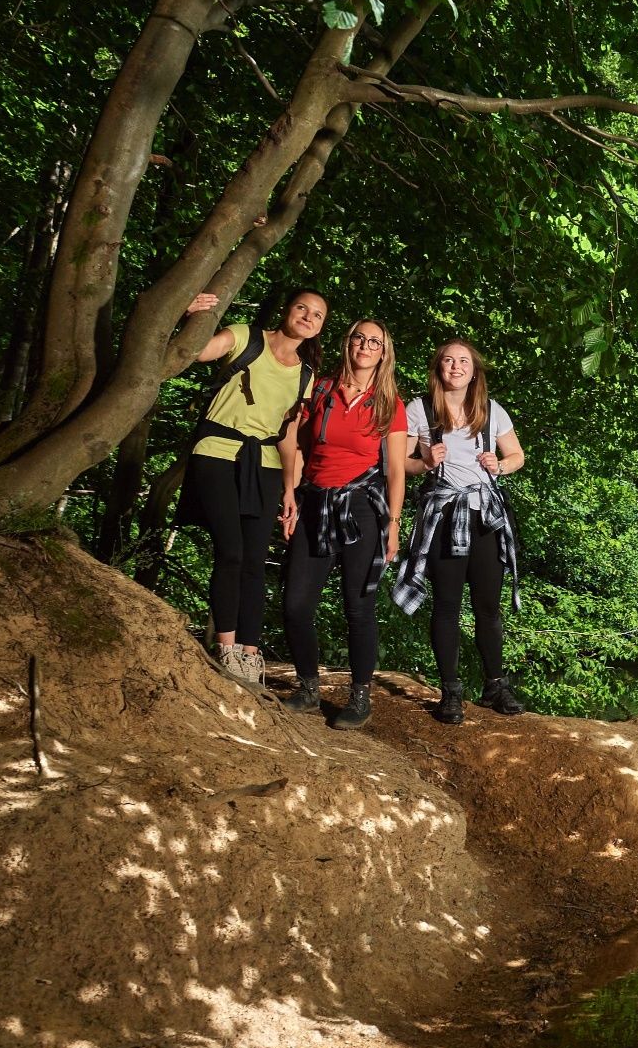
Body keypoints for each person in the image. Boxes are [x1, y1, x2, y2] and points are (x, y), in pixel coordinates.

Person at [177, 288, 327, 687]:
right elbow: (196, 352)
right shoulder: (245, 337)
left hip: (267, 466)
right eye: (302, 308)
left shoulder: (305, 376)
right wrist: (189, 314)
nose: (308, 318)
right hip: (218, 452)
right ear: (287, 309)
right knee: (231, 552)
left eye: (317, 315)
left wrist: (291, 491)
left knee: (255, 562)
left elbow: (290, 435)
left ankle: (249, 653)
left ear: (320, 328)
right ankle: (226, 649)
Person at [276, 319, 406, 729]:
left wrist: (394, 525)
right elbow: (297, 446)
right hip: (314, 503)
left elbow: (397, 472)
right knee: (295, 603)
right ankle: (309, 687)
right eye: (359, 338)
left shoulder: (390, 404)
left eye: (375, 342)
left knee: (358, 607)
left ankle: (360, 696)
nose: (365, 346)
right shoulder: (319, 390)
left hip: (362, 510)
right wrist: (290, 495)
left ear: (383, 353)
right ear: (347, 343)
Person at [391, 339, 525, 725]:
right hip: (443, 516)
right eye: (448, 360)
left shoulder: (490, 410)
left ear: (473, 369)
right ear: (438, 368)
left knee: (488, 607)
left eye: (462, 361)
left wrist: (499, 465)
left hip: (485, 517)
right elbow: (398, 462)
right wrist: (423, 460)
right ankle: (451, 692)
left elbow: (517, 455)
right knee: (447, 605)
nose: (455, 366)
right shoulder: (419, 408)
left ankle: (495, 686)